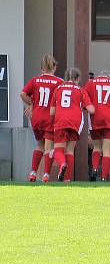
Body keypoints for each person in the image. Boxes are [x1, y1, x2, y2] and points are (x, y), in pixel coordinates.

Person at [20, 54, 62, 182]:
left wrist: (31, 104)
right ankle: (45, 175)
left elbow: (22, 94)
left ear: (42, 67)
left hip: (36, 117)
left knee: (39, 145)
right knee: (49, 148)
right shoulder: (59, 82)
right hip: (50, 117)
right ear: (54, 67)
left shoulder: (35, 80)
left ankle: (33, 173)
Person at [50, 68, 95, 182]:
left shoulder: (58, 89)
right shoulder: (81, 90)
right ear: (78, 78)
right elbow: (91, 110)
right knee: (70, 150)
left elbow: (51, 112)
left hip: (61, 121)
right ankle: (68, 179)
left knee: (58, 149)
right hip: (75, 122)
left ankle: (62, 163)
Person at [83, 71, 110, 182]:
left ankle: (94, 168)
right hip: (109, 118)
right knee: (107, 149)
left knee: (97, 147)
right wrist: (109, 109)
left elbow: (84, 98)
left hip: (95, 117)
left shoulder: (91, 83)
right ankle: (104, 176)